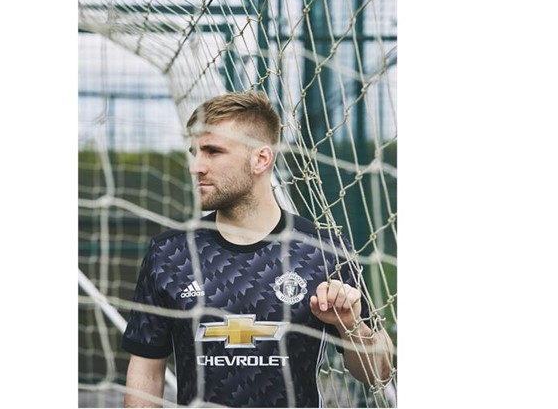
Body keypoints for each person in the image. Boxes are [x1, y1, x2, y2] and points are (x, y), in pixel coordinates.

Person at [122, 91, 394, 407]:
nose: (196, 166)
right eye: (194, 152)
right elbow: (146, 373)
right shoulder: (170, 253)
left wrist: (350, 325)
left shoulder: (324, 250)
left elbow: (379, 374)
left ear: (261, 159)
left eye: (212, 151)